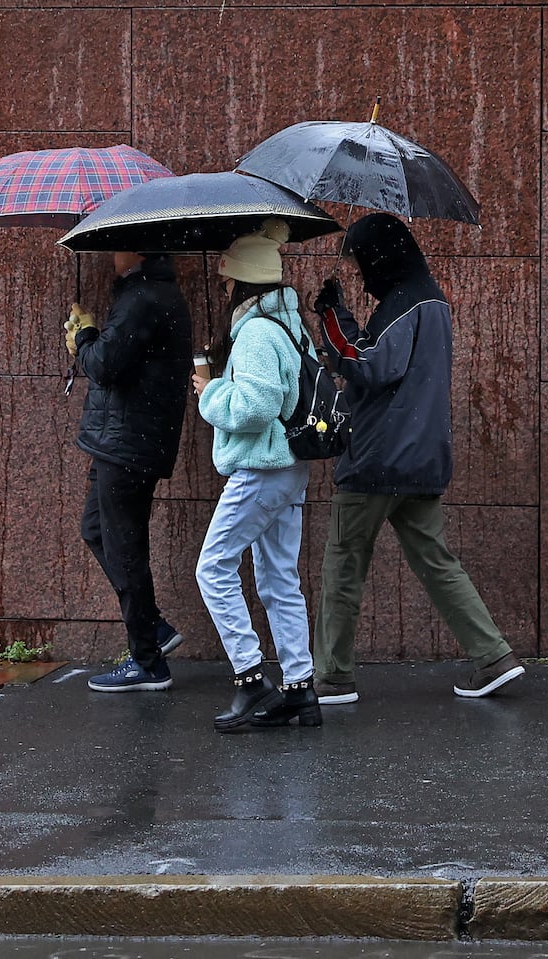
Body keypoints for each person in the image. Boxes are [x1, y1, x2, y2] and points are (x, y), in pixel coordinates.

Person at [309, 212, 523, 704]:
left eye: (362, 262)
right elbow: (393, 364)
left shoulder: (404, 303)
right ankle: (493, 655)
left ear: (383, 257)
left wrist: (332, 318)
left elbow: (367, 364)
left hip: (377, 458)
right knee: (437, 561)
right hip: (422, 457)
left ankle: (333, 676)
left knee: (344, 564)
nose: (361, 275)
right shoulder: (432, 300)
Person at [191, 219, 321, 732]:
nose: (222, 292)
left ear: (240, 282)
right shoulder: (288, 325)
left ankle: (250, 678)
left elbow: (255, 406)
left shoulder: (256, 333)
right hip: (290, 469)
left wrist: (209, 393)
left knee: (213, 568)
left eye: (225, 283)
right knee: (278, 580)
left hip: (262, 469)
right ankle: (299, 689)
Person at [67, 251, 192, 693]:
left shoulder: (142, 298)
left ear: (135, 251)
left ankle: (147, 661)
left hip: (128, 442)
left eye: (117, 248)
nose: (110, 256)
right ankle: (152, 628)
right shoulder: (152, 295)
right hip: (129, 439)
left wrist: (83, 337)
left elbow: (104, 364)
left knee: (125, 547)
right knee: (97, 530)